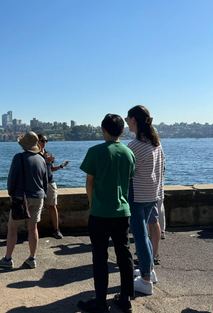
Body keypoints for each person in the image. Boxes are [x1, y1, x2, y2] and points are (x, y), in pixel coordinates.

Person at [78, 114, 135, 313]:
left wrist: (93, 204)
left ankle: (101, 302)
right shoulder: (128, 153)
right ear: (121, 131)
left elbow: (90, 183)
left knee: (100, 257)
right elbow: (127, 179)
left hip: (101, 212)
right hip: (122, 211)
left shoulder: (95, 152)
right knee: (124, 254)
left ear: (103, 130)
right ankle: (126, 298)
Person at [0, 132, 48, 269]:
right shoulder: (41, 159)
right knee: (33, 228)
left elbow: (12, 179)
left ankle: (8, 259)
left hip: (21, 198)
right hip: (38, 196)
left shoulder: (19, 158)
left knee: (12, 228)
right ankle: (32, 258)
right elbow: (45, 181)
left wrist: (11, 194)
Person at [126, 105, 165, 295]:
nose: (126, 121)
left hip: (138, 195)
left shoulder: (135, 146)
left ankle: (145, 281)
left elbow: (127, 172)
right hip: (152, 194)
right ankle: (149, 271)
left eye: (128, 117)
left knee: (140, 237)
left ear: (134, 120)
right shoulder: (156, 143)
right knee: (145, 236)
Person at [36, 133, 69, 239]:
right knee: (37, 207)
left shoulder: (48, 153)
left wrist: (61, 166)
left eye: (46, 141)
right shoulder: (34, 154)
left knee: (53, 205)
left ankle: (56, 229)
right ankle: (34, 230)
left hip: (50, 181)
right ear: (37, 141)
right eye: (42, 141)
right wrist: (44, 161)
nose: (44, 143)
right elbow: (34, 169)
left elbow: (51, 169)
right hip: (39, 183)